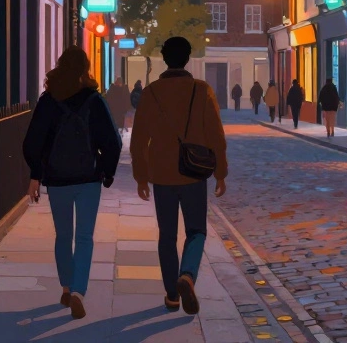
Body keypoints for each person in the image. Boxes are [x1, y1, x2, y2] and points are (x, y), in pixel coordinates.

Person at [21, 46, 122, 320]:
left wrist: (36, 174)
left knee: (63, 235)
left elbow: (32, 142)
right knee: (85, 236)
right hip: (89, 179)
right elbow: (112, 141)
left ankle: (65, 287)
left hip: (57, 179)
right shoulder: (93, 99)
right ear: (84, 68)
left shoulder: (48, 100)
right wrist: (107, 172)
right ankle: (79, 291)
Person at [131, 37, 229, 316]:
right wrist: (220, 173)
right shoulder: (202, 90)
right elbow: (216, 136)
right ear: (187, 58)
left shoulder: (151, 93)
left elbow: (139, 140)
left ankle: (172, 295)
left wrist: (141, 176)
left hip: (162, 175)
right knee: (196, 230)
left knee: (166, 235)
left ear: (165, 58)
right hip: (193, 173)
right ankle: (187, 274)